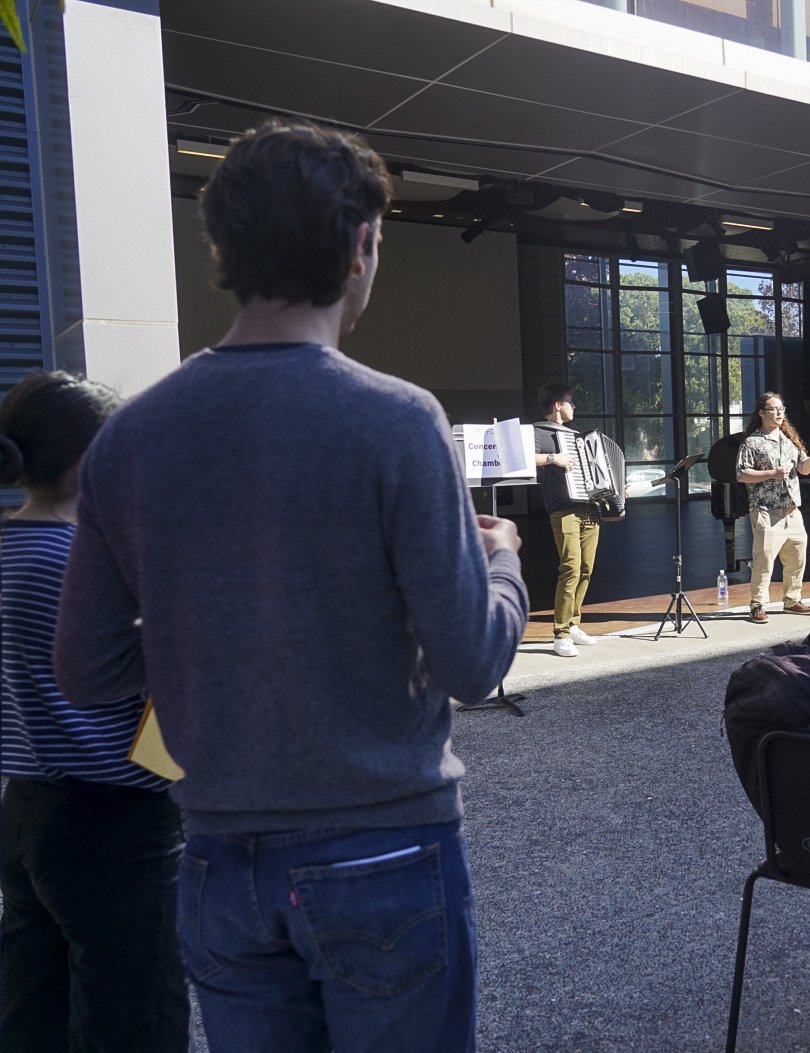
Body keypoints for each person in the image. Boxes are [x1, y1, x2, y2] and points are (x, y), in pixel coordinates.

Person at [53, 120, 528, 1053]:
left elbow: (89, 672)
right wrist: (502, 558)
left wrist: (209, 613)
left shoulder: (132, 438)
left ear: (222, 248)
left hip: (219, 861)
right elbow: (474, 662)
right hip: (385, 850)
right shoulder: (397, 422)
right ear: (360, 247)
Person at [0, 373, 188, 1052]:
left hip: (23, 808)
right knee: (134, 1017)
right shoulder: (82, 561)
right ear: (91, 459)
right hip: (110, 819)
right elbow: (163, 680)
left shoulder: (9, 549)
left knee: (31, 1010)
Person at [735, 391, 810, 624]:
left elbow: (803, 469)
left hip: (791, 509)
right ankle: (757, 605)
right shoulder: (752, 442)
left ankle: (792, 600)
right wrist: (771, 474)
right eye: (773, 409)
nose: (778, 413)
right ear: (761, 413)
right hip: (766, 510)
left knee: (797, 556)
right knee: (764, 559)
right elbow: (742, 474)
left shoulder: (788, 441)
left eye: (781, 409)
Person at [533, 383, 600, 657]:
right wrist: (553, 458)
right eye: (570, 401)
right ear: (558, 405)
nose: (574, 406)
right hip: (563, 510)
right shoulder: (538, 431)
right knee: (570, 568)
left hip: (589, 509)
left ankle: (573, 624)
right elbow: (524, 458)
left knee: (586, 569)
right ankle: (560, 633)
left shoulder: (577, 437)